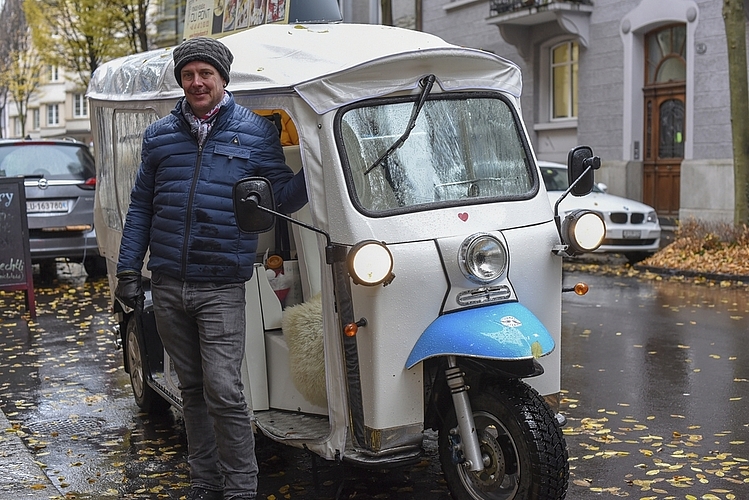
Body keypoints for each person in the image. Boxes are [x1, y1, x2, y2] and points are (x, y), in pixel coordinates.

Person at [114, 36, 307, 500]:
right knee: (192, 388)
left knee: (224, 387)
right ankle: (205, 483)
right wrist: (127, 269)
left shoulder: (257, 133)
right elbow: (141, 205)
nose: (197, 82)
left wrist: (319, 169)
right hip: (167, 283)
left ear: (223, 77)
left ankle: (241, 487)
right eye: (188, 75)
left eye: (206, 74)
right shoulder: (159, 136)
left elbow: (279, 197)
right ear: (181, 80)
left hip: (221, 281)